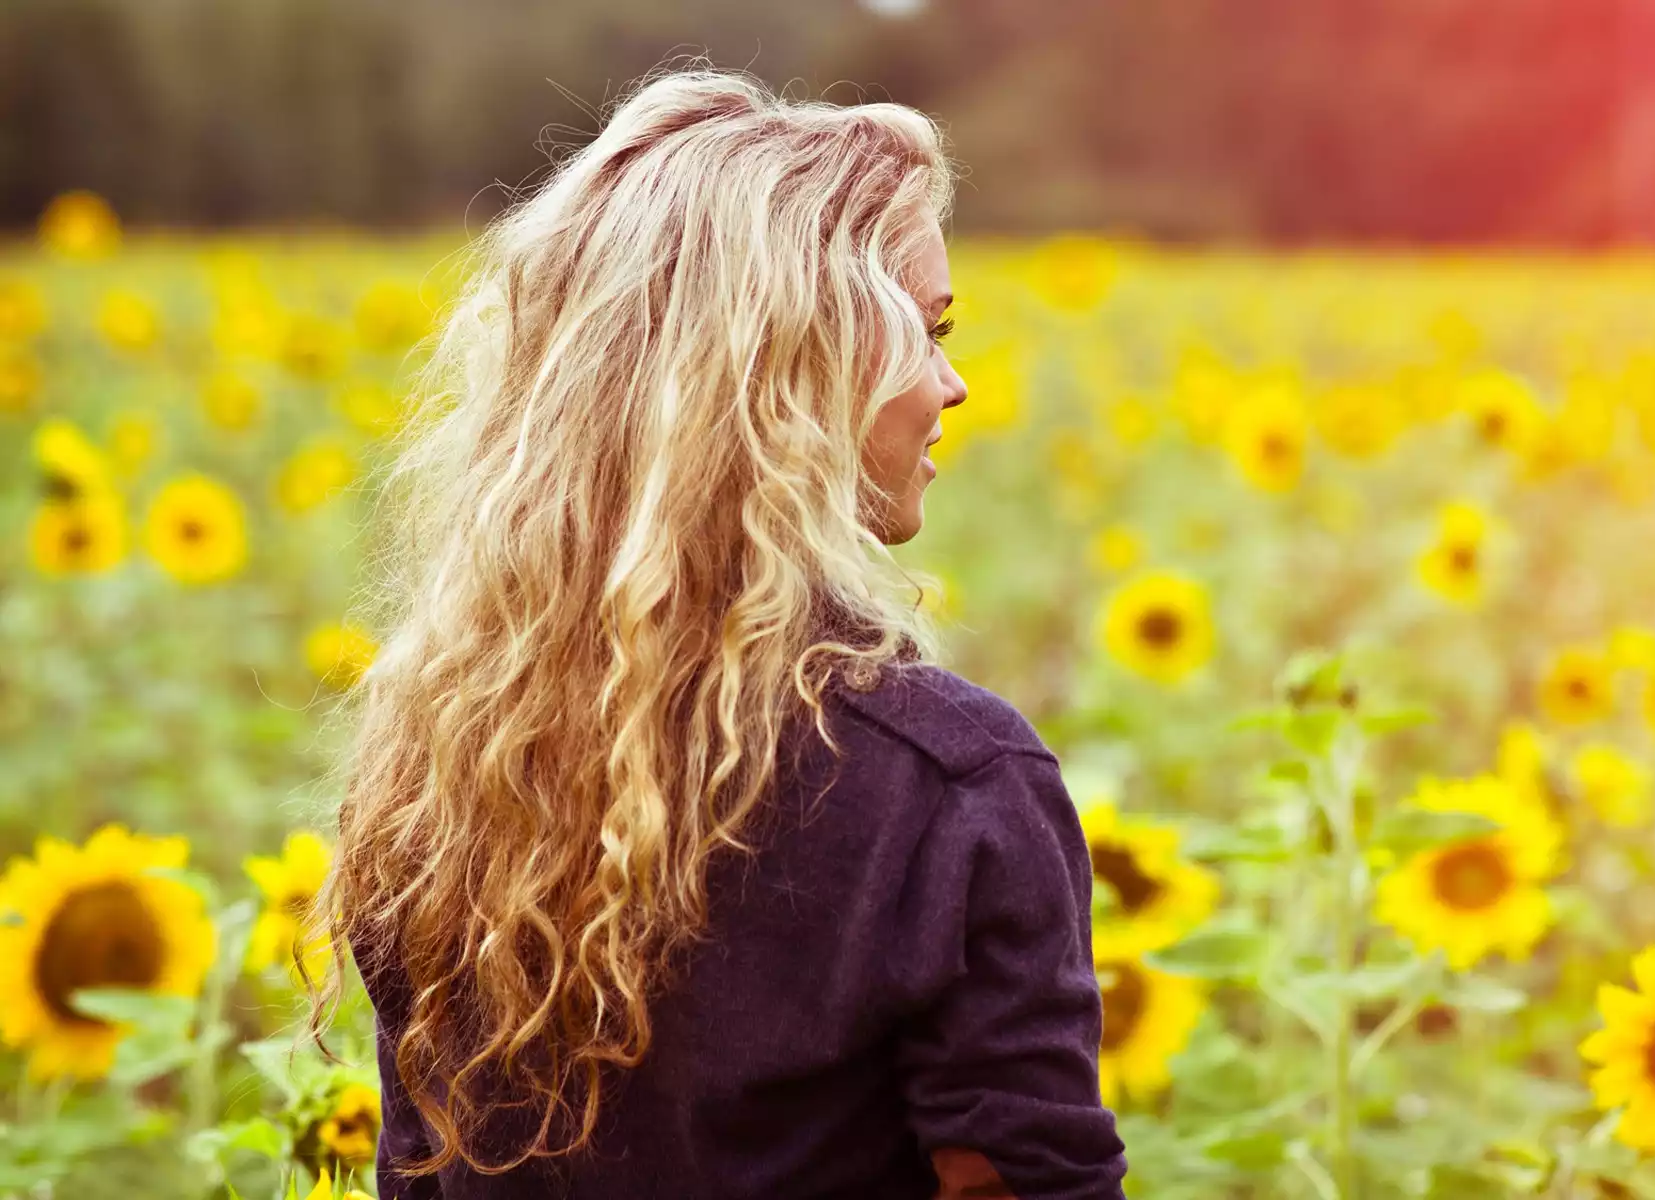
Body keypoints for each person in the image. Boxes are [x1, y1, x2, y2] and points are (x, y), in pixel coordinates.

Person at [301, 61, 1128, 1200]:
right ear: (793, 369)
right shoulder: (946, 790)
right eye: (926, 332)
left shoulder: (441, 764)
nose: (954, 385)